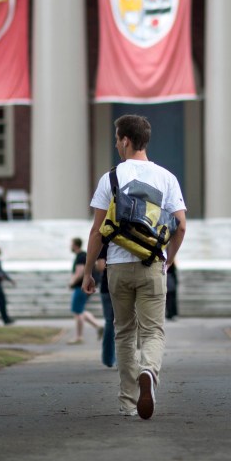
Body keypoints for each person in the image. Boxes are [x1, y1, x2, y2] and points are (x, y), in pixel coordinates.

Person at [82, 114, 187, 420]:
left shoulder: (110, 179)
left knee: (124, 333)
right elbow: (180, 226)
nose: (116, 144)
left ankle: (128, 402)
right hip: (151, 264)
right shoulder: (166, 178)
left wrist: (88, 271)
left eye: (117, 139)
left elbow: (97, 231)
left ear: (125, 140)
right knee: (153, 331)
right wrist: (169, 258)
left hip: (117, 266)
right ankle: (149, 372)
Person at [68, 237, 103, 344]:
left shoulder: (80, 256)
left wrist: (71, 283)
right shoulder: (83, 255)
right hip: (83, 286)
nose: (70, 246)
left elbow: (79, 272)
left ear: (75, 245)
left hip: (80, 287)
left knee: (78, 312)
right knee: (80, 310)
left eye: (71, 244)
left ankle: (79, 337)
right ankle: (98, 326)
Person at [97, 244, 116, 367]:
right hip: (124, 283)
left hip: (106, 285)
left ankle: (108, 359)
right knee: (125, 322)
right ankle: (125, 359)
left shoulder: (103, 241)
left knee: (109, 322)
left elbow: (100, 266)